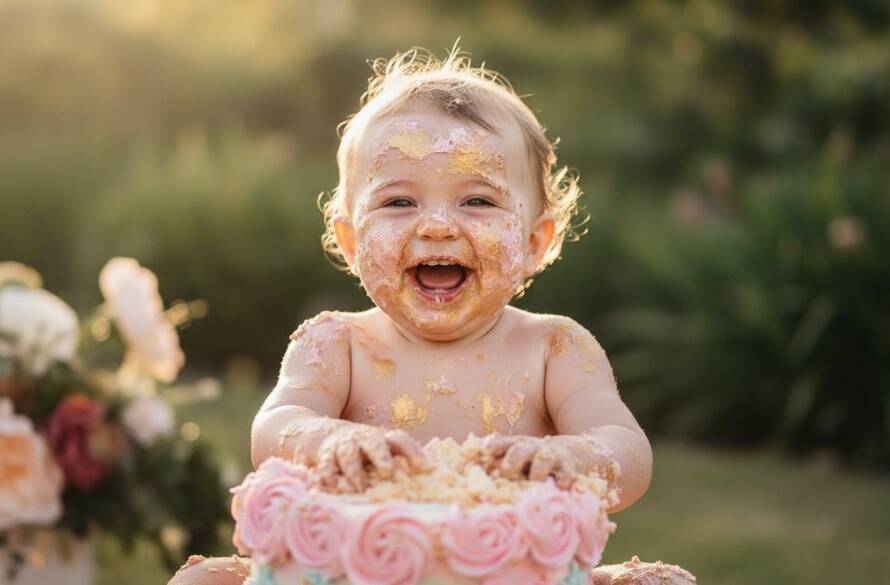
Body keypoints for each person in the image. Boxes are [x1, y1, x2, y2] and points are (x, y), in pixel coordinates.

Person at [171, 46, 694, 585]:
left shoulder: (553, 348)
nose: (438, 225)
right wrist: (328, 440)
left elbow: (625, 446)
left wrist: (577, 458)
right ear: (349, 240)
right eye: (399, 203)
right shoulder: (337, 344)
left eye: (478, 202)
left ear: (536, 240)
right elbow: (275, 427)